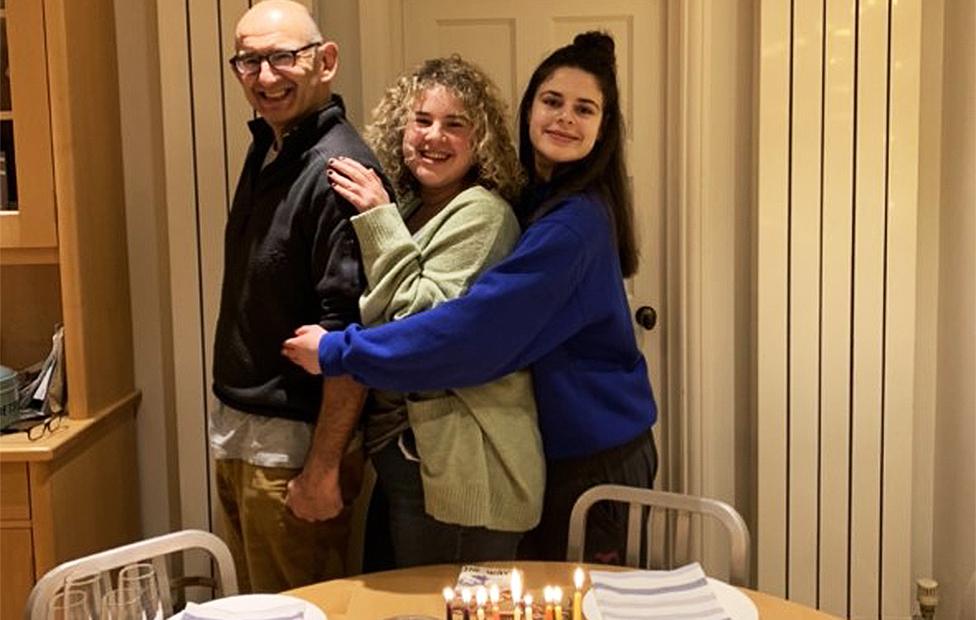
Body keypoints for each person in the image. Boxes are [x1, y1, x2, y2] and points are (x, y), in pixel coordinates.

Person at [283, 31, 657, 563]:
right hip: (562, 448)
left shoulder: (569, 225)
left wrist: (339, 352)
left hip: (594, 458)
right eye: (552, 102)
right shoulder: (541, 198)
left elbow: (468, 336)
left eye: (585, 109)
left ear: (604, 129)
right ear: (529, 110)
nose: (565, 119)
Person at [322, 56, 545, 567]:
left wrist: (377, 219)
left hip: (469, 470)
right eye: (421, 120)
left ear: (480, 140)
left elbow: (416, 326)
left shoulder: (484, 214)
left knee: (446, 604)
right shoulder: (411, 207)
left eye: (455, 124)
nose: (433, 136)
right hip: (416, 457)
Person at [212, 0, 391, 592]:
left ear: (326, 60)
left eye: (283, 58)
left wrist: (321, 468)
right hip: (243, 436)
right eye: (249, 62)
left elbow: (351, 339)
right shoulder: (272, 145)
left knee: (302, 609)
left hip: (292, 452)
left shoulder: (335, 170)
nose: (265, 78)